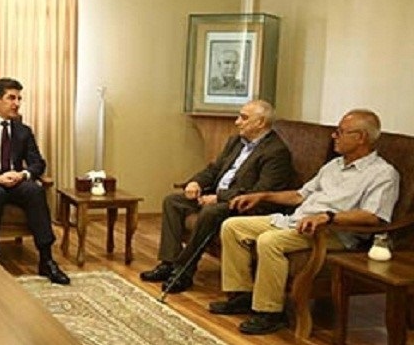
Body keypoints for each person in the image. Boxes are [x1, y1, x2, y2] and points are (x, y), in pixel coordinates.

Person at [209, 109, 399, 335]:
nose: (334, 136)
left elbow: (373, 215)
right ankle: (242, 296)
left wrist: (328, 217)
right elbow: (300, 196)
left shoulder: (382, 174)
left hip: (332, 233)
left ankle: (270, 313)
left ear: (361, 137)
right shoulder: (334, 165)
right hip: (297, 221)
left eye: (340, 132)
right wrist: (263, 195)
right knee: (233, 226)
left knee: (270, 241)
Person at [140, 100, 295, 293]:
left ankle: (182, 272)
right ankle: (168, 263)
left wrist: (219, 197)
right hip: (216, 195)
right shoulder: (236, 142)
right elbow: (214, 170)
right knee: (173, 201)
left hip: (242, 205)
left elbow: (261, 192)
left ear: (260, 122)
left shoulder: (276, 152)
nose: (237, 122)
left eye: (244, 118)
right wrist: (196, 183)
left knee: (211, 212)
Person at [0, 77, 70, 285]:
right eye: (11, 98)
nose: (17, 103)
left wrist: (22, 175)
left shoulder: (23, 131)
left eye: (19, 98)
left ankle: (46, 259)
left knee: (35, 191)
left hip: (12, 181)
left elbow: (38, 163)